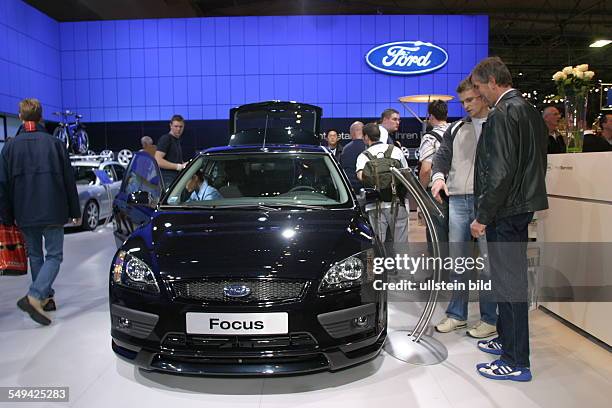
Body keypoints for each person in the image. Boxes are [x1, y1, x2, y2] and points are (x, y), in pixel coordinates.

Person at [469, 57, 548, 382]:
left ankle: (516, 360)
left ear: (491, 81)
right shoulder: (528, 110)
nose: (478, 94)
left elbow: (500, 173)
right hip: (521, 207)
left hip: (505, 211)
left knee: (509, 286)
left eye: (478, 87)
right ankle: (506, 340)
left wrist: (482, 216)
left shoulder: (502, 113)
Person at [0, 98, 81, 326]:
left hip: (24, 212)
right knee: (54, 256)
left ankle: (43, 299)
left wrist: (6, 215)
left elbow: (3, 185)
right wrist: (75, 210)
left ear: (21, 116)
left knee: (36, 255)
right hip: (53, 210)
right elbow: (68, 180)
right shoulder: (55, 144)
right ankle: (36, 296)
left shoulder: (10, 146)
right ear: (41, 116)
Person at [431, 79, 497, 338]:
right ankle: (457, 314)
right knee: (458, 262)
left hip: (487, 202)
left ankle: (490, 319)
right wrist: (438, 177)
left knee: (487, 264)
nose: (467, 106)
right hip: (458, 200)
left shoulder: (498, 124)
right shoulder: (456, 128)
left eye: (471, 99)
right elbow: (442, 157)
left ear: (482, 95)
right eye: (463, 102)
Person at [356, 123, 409, 243]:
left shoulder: (363, 156)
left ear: (365, 137)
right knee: (401, 245)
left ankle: (380, 262)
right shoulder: (395, 150)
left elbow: (361, 177)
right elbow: (406, 174)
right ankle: (401, 262)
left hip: (375, 206)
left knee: (378, 245)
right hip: (397, 203)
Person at [418, 100, 449, 188]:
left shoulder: (430, 138)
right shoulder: (456, 131)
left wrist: (422, 192)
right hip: (459, 186)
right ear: (446, 115)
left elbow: (426, 170)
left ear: (431, 116)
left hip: (439, 189)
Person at [156, 115, 188, 187]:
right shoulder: (166, 139)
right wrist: (178, 166)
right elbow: (158, 160)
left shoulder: (176, 140)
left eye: (181, 127)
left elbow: (176, 160)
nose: (178, 129)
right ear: (170, 125)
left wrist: (186, 164)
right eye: (176, 126)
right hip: (167, 180)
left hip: (175, 179)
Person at [339, 121, 366, 192]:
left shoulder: (345, 149)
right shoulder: (369, 148)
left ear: (351, 133)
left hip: (349, 189)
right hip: (366, 189)